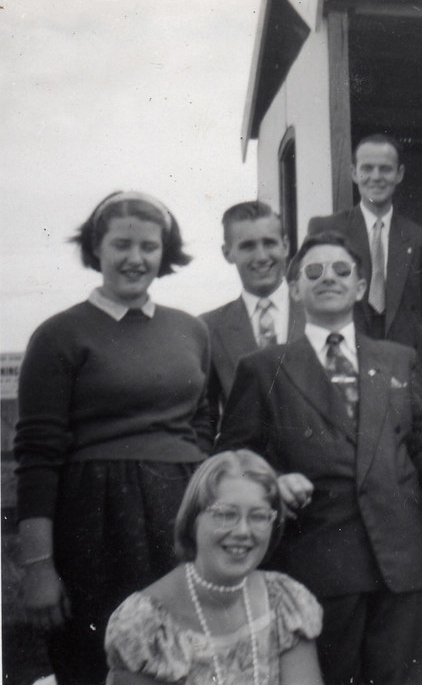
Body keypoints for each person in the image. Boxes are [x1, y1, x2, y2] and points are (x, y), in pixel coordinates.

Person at [217, 231, 422, 685]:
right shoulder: (262, 367)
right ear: (295, 289)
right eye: (312, 272)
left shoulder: (399, 359)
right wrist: (274, 480)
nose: (327, 278)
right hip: (319, 561)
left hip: (402, 561)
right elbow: (235, 456)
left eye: (340, 270)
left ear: (359, 286)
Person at [14, 191, 212, 685]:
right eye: (121, 244)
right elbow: (37, 457)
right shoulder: (59, 335)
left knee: (189, 658)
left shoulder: (190, 330)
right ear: (95, 248)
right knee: (101, 662)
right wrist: (37, 567)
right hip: (96, 522)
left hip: (180, 514)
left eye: (149, 246)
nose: (136, 258)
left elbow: (202, 423)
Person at [105, 450, 323, 684]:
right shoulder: (145, 624)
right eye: (226, 514)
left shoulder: (285, 602)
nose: (242, 532)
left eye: (259, 516)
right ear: (192, 520)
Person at [308, 133, 422, 357]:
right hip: (343, 356)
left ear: (399, 174)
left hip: (403, 361)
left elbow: (419, 309)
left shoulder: (420, 239)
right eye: (367, 168)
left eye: (385, 169)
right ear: (354, 173)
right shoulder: (326, 229)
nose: (376, 177)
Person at [202, 201, 304, 428]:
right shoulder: (209, 328)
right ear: (227, 253)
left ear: (285, 246)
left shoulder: (319, 313)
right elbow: (204, 418)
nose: (261, 256)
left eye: (269, 243)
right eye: (247, 246)